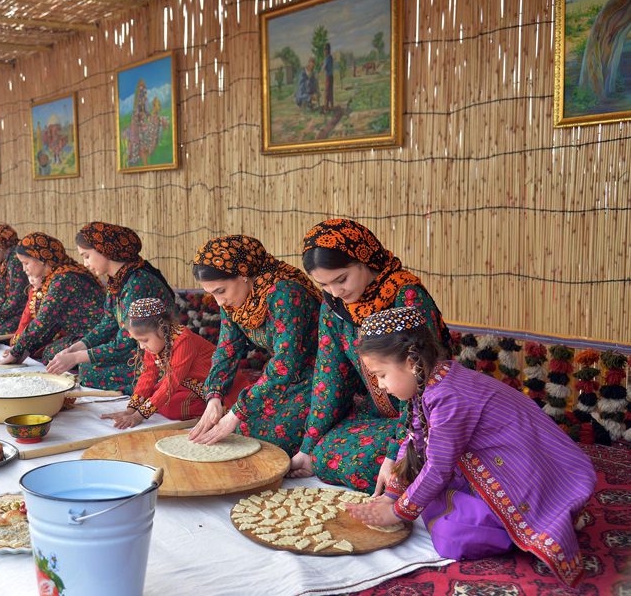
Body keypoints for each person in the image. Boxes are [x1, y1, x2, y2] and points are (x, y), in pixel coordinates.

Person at [348, 307, 596, 590]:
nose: (380, 386)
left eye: (380, 375)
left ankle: (536, 522)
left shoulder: (448, 396)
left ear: (410, 362)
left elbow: (438, 468)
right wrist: (393, 493)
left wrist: (398, 512)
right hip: (504, 463)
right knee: (431, 499)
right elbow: (414, 440)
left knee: (450, 534)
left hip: (525, 474)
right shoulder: (435, 380)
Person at [290, 219, 452, 492]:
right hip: (376, 415)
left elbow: (427, 381)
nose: (336, 292)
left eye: (341, 279)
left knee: (375, 465)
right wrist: (308, 447)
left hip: (426, 415)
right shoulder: (333, 306)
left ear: (364, 259)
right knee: (321, 454)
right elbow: (329, 378)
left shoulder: (406, 294)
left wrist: (395, 451)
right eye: (325, 285)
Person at [187, 235, 321, 456]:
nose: (219, 302)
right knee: (240, 431)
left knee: (262, 437)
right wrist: (214, 397)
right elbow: (227, 349)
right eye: (211, 294)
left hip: (317, 378)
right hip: (282, 381)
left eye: (221, 291)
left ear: (243, 275)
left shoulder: (285, 292)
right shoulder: (235, 301)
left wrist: (238, 412)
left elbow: (286, 364)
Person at [46, 222, 175, 393]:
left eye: (86, 256)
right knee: (58, 352)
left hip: (154, 355)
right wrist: (74, 348)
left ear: (104, 249)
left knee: (89, 371)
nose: (85, 264)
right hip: (133, 350)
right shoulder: (117, 281)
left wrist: (77, 357)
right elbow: (108, 324)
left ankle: (156, 384)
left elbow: (126, 342)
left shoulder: (138, 282)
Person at [103, 298, 251, 429]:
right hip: (187, 382)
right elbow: (148, 374)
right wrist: (132, 409)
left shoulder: (183, 340)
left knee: (170, 406)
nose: (142, 347)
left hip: (216, 388)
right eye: (138, 341)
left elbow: (171, 383)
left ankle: (213, 409)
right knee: (153, 393)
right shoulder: (156, 341)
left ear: (162, 329)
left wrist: (139, 415)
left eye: (145, 340)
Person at [0, 232, 105, 366]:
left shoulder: (63, 278)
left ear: (41, 258)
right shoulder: (59, 274)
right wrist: (25, 349)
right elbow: (53, 321)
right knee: (48, 352)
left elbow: (43, 320)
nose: (24, 269)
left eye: (26, 263)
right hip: (86, 335)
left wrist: (17, 352)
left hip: (95, 336)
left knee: (51, 354)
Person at [321, 42, 334, 113]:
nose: (324, 52)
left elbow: (324, 68)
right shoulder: (331, 57)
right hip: (331, 76)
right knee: (330, 91)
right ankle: (331, 105)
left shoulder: (326, 58)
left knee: (326, 92)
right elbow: (327, 65)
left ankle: (326, 108)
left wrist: (319, 74)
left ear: (326, 50)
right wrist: (323, 64)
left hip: (328, 77)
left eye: (324, 50)